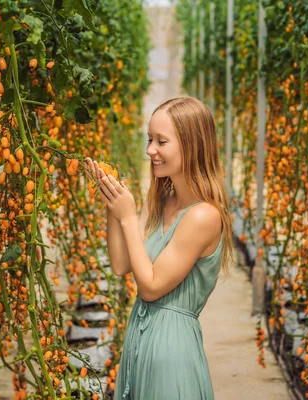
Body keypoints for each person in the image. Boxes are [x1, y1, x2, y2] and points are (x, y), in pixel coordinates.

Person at [85, 96, 233, 400]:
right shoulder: (166, 202)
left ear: (191, 146)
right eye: (149, 139)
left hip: (171, 352)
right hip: (142, 340)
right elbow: (121, 265)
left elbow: (150, 287)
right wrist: (113, 205)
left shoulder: (203, 215)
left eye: (161, 141)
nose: (150, 149)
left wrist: (128, 217)